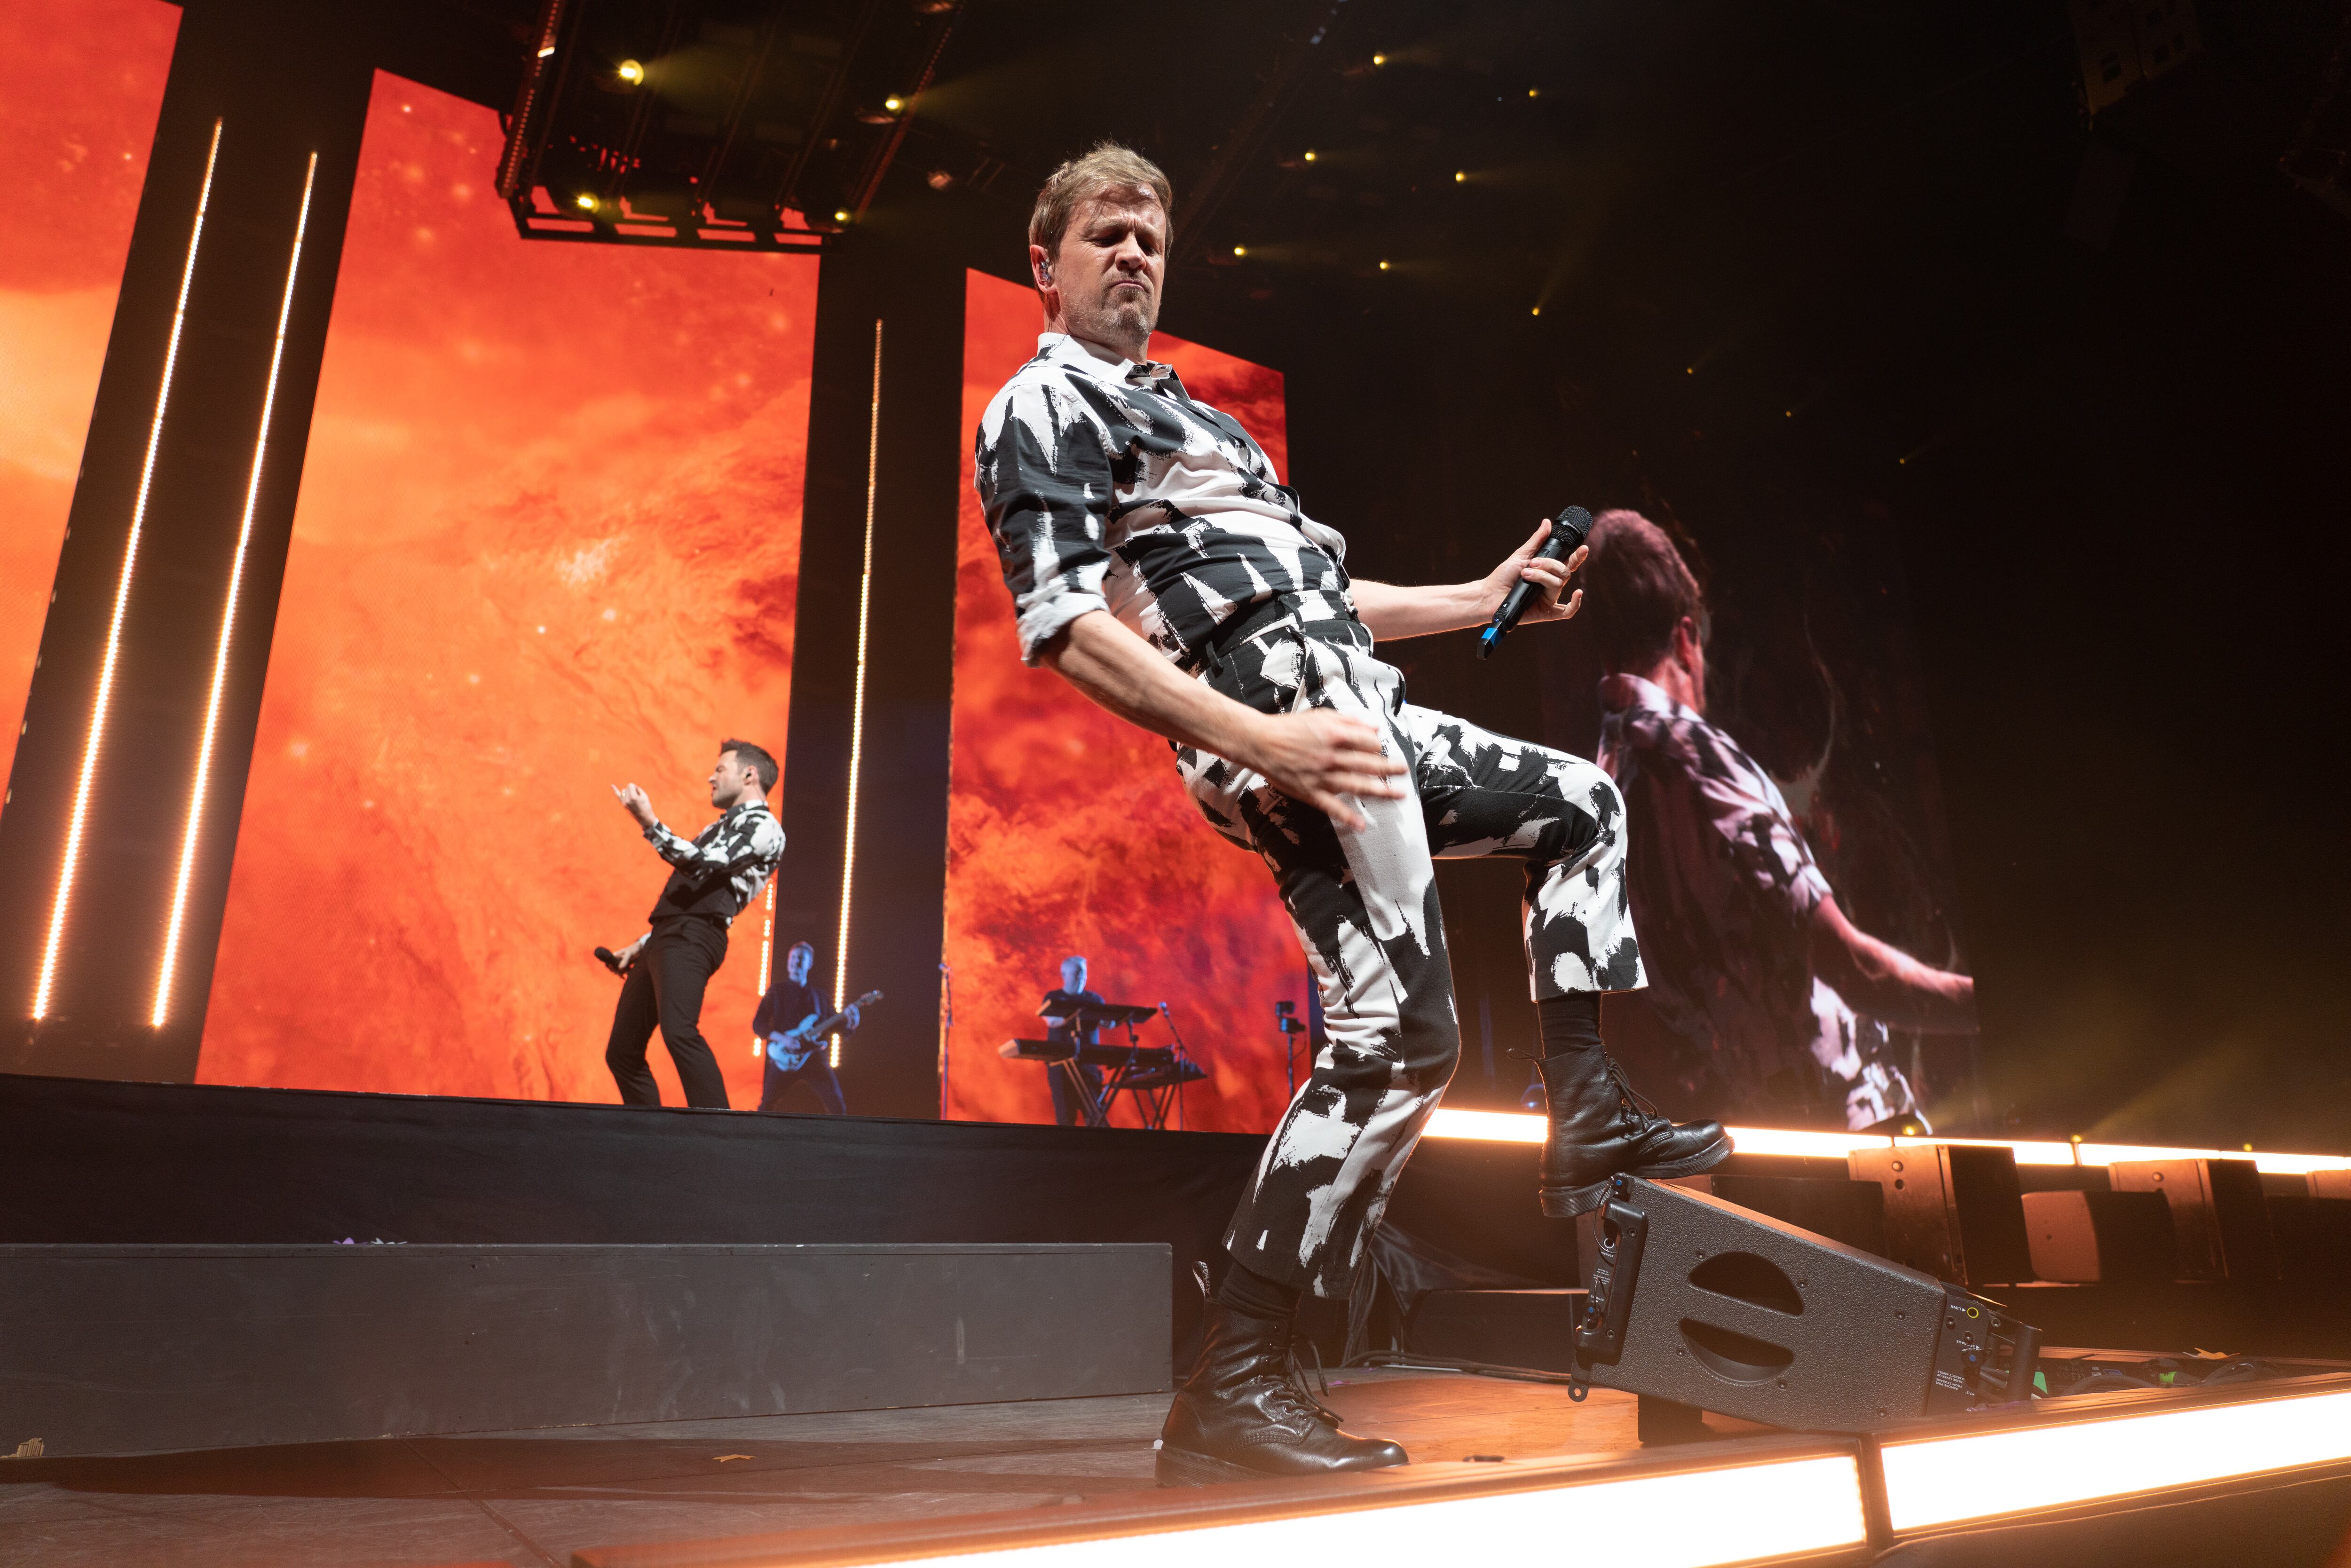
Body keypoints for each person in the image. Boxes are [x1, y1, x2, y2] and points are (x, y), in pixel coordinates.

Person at [973, 142, 1730, 1485]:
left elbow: (1326, 598)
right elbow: (1064, 626)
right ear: (1047, 262)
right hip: (1285, 725)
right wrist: (1258, 738)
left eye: (1151, 233)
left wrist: (1478, 590)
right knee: (1400, 1039)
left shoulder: (1205, 422)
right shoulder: (1040, 405)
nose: (1135, 252)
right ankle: (1236, 1378)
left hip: (1347, 697)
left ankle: (1590, 1104)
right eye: (1105, 234)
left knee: (1582, 802)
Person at [1580, 511, 1978, 1129]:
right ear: (1687, 638)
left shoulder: (1603, 783)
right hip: (1856, 1132)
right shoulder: (1696, 755)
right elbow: (1855, 969)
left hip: (1760, 1142)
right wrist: (1992, 1005)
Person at [600, 740, 785, 1109]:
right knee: (622, 1051)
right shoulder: (716, 827)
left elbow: (703, 864)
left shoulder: (765, 826)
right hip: (668, 936)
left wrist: (648, 821)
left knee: (679, 1032)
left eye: (720, 770)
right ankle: (650, 1137)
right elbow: (688, 895)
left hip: (696, 935)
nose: (710, 777)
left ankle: (717, 1134)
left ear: (749, 775)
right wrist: (639, 946)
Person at [752, 940, 860, 1115]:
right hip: (784, 1058)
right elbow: (758, 1024)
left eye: (801, 958)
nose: (796, 962)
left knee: (838, 1108)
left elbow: (840, 1030)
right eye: (793, 958)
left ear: (810, 964)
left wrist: (852, 1022)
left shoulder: (821, 998)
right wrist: (784, 1039)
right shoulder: (776, 992)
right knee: (766, 1108)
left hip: (814, 1059)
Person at [1039, 954, 1106, 1126]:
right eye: (1078, 974)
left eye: (1084, 974)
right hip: (1061, 1068)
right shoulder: (1053, 998)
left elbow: (1110, 1022)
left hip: (1089, 1067)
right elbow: (1051, 1021)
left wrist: (1105, 1016)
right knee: (1066, 1119)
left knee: (1095, 1117)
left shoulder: (1094, 1000)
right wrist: (1076, 1016)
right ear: (1064, 975)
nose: (1082, 978)